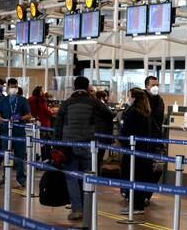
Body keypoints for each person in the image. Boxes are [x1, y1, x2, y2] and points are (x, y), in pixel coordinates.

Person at [54, 76, 115, 221]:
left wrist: (57, 145)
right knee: (88, 177)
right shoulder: (94, 102)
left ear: (74, 87)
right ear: (88, 87)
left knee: (72, 177)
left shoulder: (66, 103)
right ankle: (88, 208)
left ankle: (77, 209)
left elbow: (58, 125)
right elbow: (110, 114)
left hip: (69, 145)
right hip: (88, 145)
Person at [119, 88, 157, 213]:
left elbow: (126, 131)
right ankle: (137, 205)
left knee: (132, 176)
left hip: (133, 150)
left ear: (134, 98)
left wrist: (122, 139)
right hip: (144, 150)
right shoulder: (146, 112)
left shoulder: (132, 112)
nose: (128, 98)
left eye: (129, 96)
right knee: (140, 177)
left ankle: (135, 206)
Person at [0, 78, 32, 187]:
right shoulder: (3, 100)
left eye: (15, 87)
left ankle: (21, 178)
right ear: (8, 88)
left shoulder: (22, 100)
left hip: (19, 132)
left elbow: (29, 115)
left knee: (20, 156)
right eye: (11, 87)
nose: (13, 89)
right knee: (6, 155)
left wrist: (20, 117)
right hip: (6, 131)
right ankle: (5, 177)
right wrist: (1, 119)